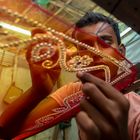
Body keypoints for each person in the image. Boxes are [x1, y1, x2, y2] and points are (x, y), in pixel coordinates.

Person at [0, 12, 140, 140]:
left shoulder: (137, 109)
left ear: (121, 52)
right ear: (78, 55)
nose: (96, 52)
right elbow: (5, 132)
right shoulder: (74, 92)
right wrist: (38, 91)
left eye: (106, 42)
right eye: (85, 46)